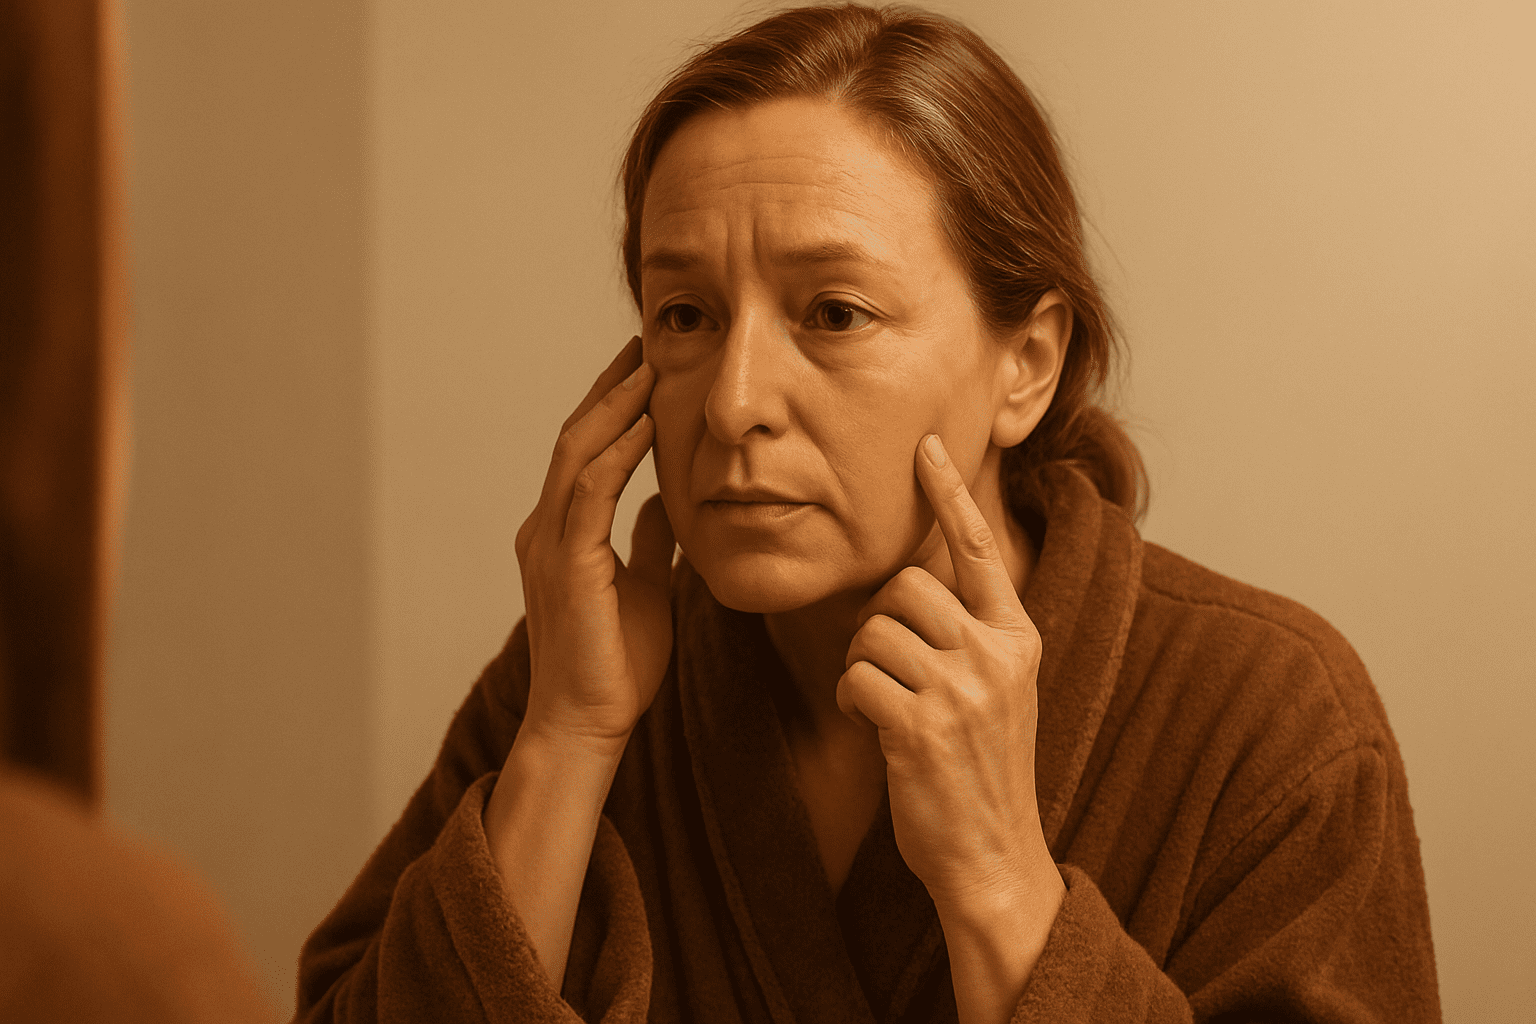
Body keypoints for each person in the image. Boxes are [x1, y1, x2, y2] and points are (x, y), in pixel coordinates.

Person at [296, 5, 1440, 1022]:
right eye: (685, 314)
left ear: (1026, 365)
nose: (735, 403)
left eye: (834, 312)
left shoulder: (1273, 724)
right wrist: (562, 746)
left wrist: (1000, 880)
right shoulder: (586, 678)